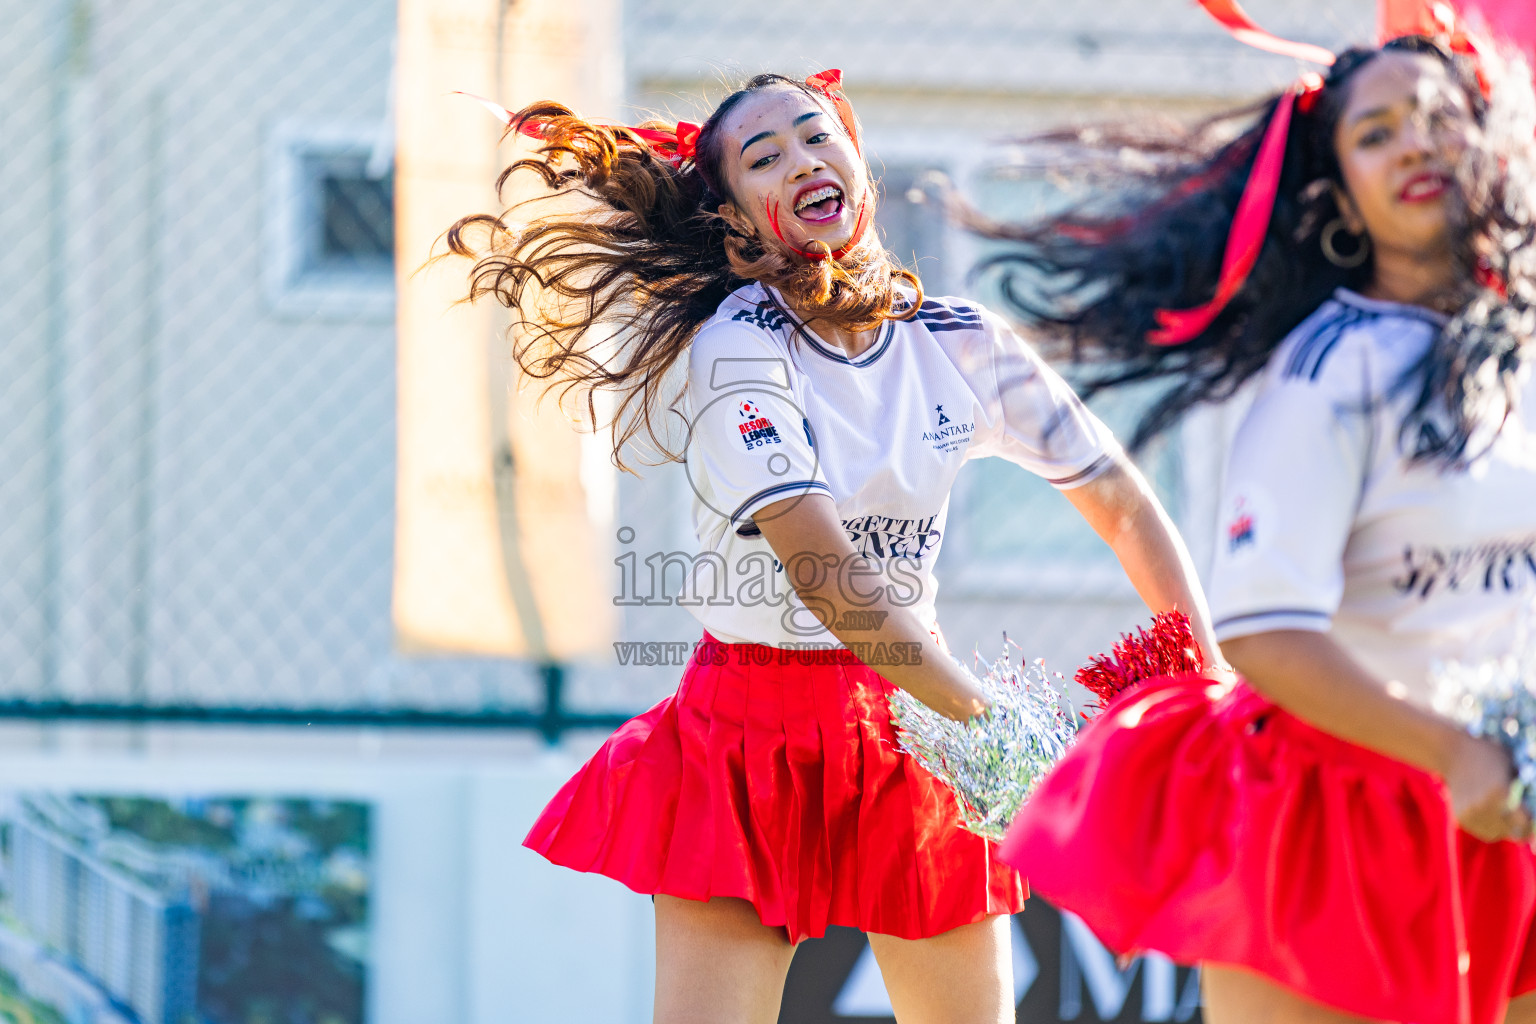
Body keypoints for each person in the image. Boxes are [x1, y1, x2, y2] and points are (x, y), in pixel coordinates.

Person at [446, 71, 1220, 1023]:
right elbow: (823, 571)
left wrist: (1204, 676)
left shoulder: (957, 340)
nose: (802, 162)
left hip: (911, 724)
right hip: (745, 733)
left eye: (818, 137)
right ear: (736, 216)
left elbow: (1122, 501)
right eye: (763, 158)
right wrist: (987, 721)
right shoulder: (736, 344)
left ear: (856, 159)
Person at [971, 11, 1536, 1024]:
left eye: (1440, 116)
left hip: (1498, 807)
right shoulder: (1328, 377)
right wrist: (1455, 754)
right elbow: (1265, 632)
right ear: (1342, 201)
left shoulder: (1515, 351)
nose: (1415, 141)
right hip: (1336, 816)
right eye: (1377, 132)